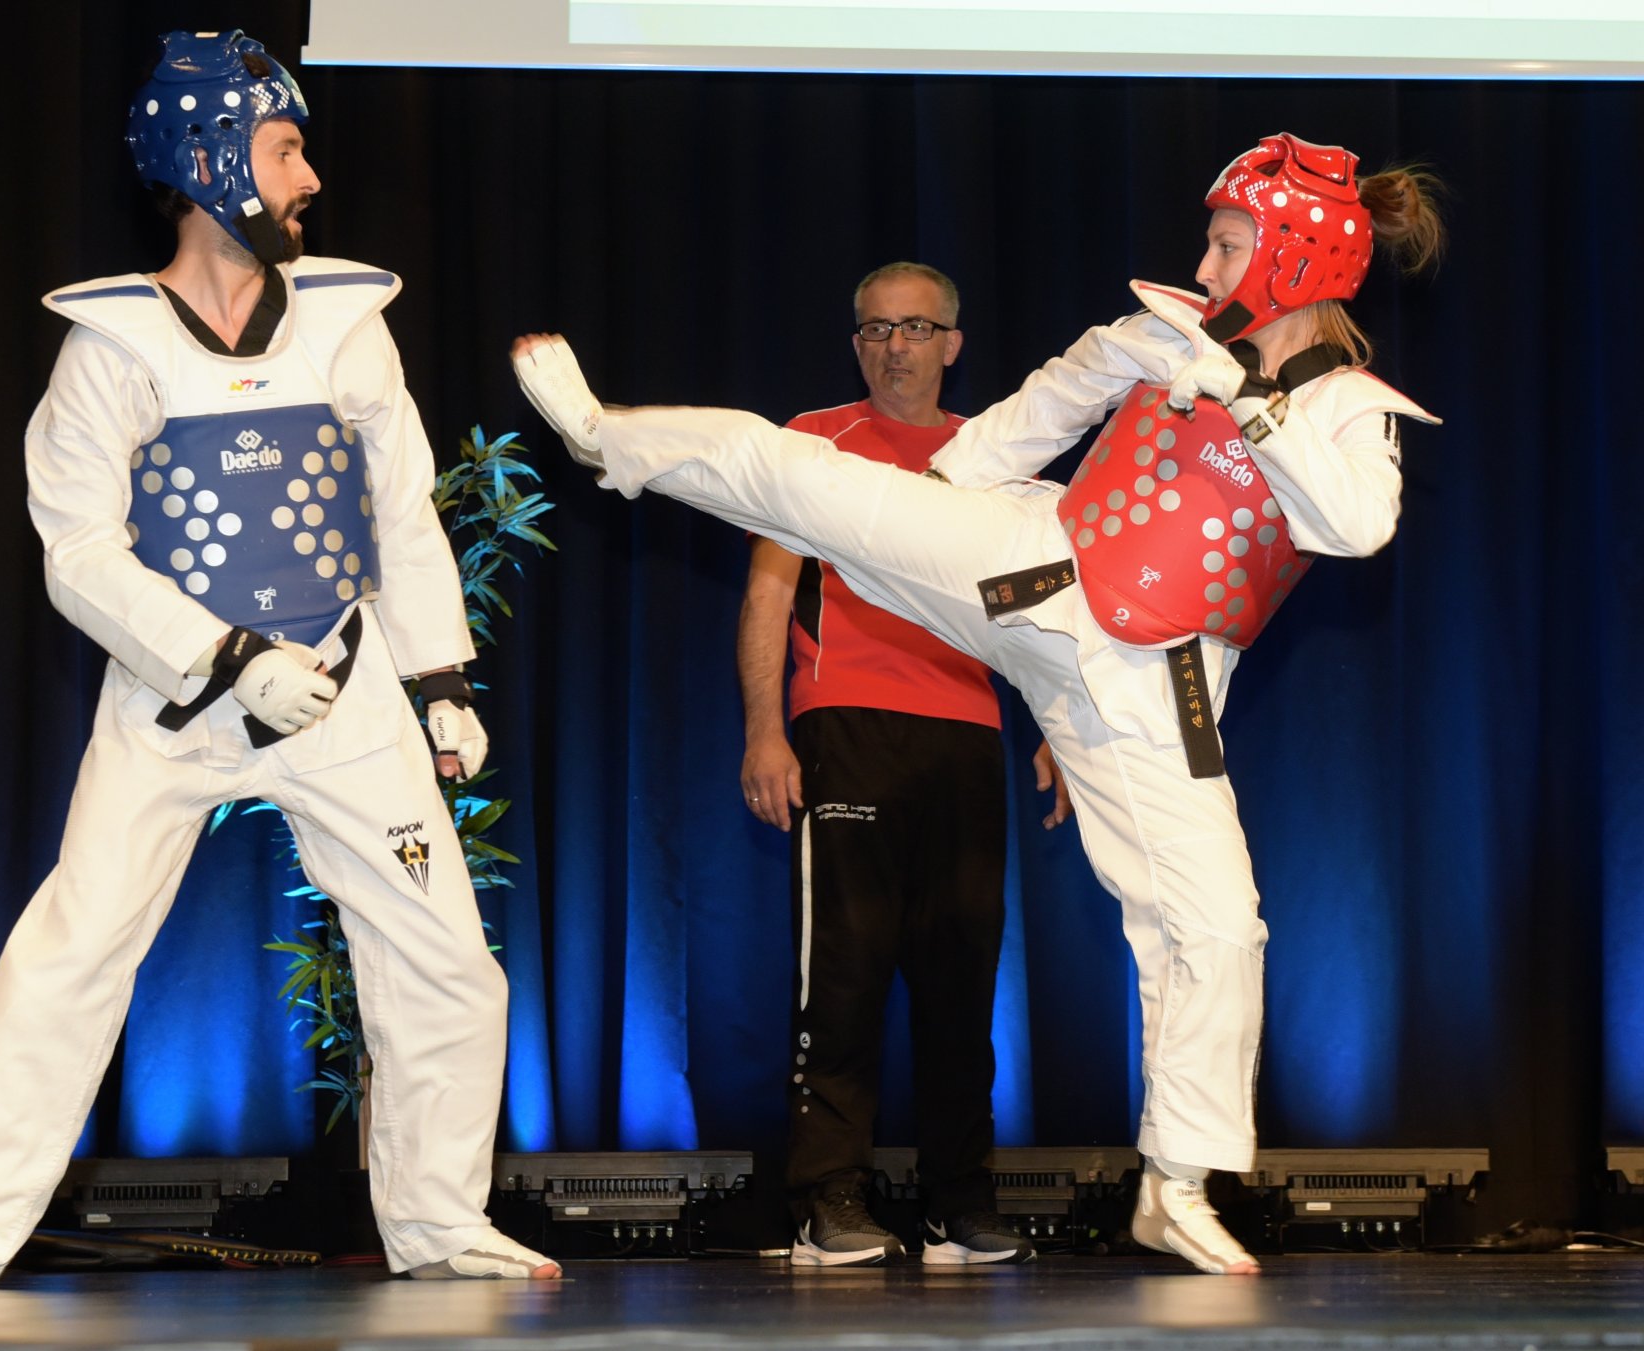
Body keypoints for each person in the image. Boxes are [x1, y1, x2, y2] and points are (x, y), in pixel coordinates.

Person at [514, 132, 1443, 1276]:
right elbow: (1053, 397)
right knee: (809, 482)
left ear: (1297, 257)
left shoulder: (1351, 406)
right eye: (1210, 241)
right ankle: (607, 436)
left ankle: (1179, 1181)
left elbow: (1356, 525)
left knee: (1214, 924)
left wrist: (1244, 400)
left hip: (1157, 687)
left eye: (1228, 242)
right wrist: (951, 484)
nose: (1205, 264)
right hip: (1030, 564)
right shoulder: (1168, 334)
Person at [0, 31, 557, 1290]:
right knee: (76, 945)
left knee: (443, 955)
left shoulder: (348, 325)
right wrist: (231, 659)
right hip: (177, 702)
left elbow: (401, 515)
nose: (309, 178)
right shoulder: (114, 348)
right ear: (207, 156)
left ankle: (443, 1220)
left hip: (346, 692)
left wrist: (440, 681)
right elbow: (77, 551)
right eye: (286, 147)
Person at [739, 263, 1031, 1267]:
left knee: (962, 984)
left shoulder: (991, 452)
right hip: (845, 723)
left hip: (967, 737)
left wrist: (1064, 737)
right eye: (873, 329)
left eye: (914, 328)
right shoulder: (814, 442)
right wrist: (765, 732)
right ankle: (830, 1197)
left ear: (953, 341)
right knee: (846, 977)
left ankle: (960, 1199)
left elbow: (1037, 610)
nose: (892, 346)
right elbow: (770, 595)